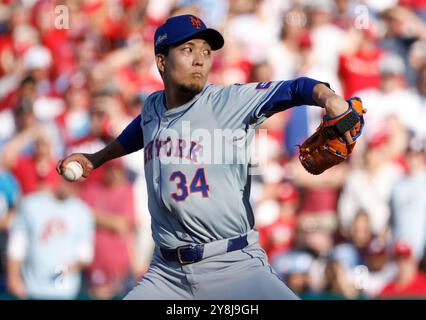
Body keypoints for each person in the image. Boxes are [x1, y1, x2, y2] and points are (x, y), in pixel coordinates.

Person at [57, 14, 360, 300]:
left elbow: (296, 88)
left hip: (234, 265)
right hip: (166, 274)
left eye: (205, 50)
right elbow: (140, 130)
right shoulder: (152, 107)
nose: (200, 58)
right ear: (161, 62)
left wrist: (329, 98)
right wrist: (96, 158)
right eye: (188, 49)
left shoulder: (228, 101)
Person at [6, 178, 94, 300]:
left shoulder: (82, 212)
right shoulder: (31, 203)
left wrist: (68, 269)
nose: (69, 184)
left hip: (65, 291)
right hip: (30, 289)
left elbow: (85, 255)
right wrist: (13, 277)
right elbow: (17, 245)